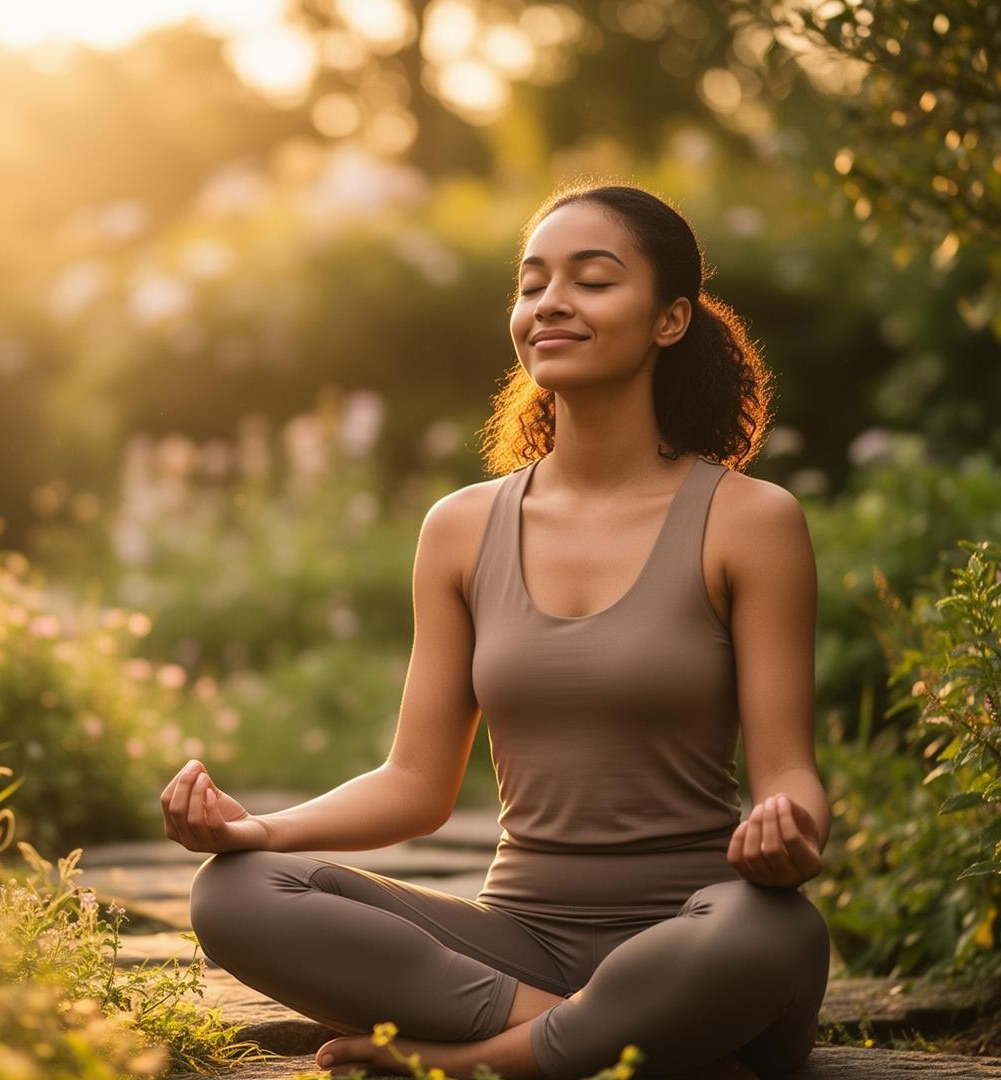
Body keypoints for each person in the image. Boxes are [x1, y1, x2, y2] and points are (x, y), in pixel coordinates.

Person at [163, 182, 832, 1080]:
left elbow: (787, 770)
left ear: (670, 320)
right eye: (532, 284)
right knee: (236, 896)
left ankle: (475, 1064)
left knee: (771, 931)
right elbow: (414, 783)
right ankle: (611, 1048)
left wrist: (791, 834)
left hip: (695, 932)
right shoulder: (462, 527)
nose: (550, 302)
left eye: (592, 280)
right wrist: (260, 833)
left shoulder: (751, 520)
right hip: (517, 947)